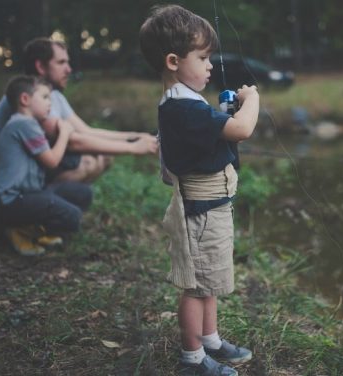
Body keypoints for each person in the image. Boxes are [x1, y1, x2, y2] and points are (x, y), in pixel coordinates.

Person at [139, 5, 260, 375]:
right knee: (196, 287)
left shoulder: (186, 102)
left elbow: (214, 134)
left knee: (208, 281)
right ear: (173, 60)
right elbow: (241, 130)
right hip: (202, 213)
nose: (210, 65)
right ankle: (193, 359)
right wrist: (252, 100)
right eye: (203, 57)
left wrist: (226, 111)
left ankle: (210, 340)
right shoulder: (182, 107)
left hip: (213, 208)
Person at [0, 37, 158, 195]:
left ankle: (50, 211)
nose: (69, 69)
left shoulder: (52, 95)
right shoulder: (32, 99)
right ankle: (35, 216)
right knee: (87, 161)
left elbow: (86, 131)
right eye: (61, 63)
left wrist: (135, 136)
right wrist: (134, 149)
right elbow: (73, 141)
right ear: (40, 66)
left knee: (103, 156)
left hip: (19, 171)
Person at [0, 75, 92, 256]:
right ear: (25, 99)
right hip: (11, 202)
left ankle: (34, 228)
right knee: (72, 217)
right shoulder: (23, 124)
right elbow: (52, 161)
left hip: (29, 194)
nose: (49, 103)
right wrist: (65, 133)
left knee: (83, 193)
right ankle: (20, 230)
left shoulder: (28, 124)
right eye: (45, 97)